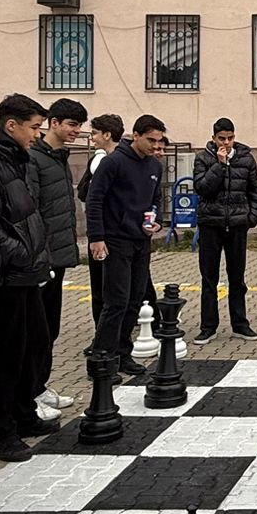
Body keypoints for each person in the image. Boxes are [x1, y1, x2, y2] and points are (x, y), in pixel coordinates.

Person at [0, 94, 58, 465]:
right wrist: (23, 252)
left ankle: (24, 414)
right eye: (34, 128)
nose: (37, 136)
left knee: (33, 345)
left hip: (28, 272)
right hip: (8, 276)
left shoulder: (17, 159)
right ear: (12, 126)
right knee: (4, 354)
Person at [86, 114, 167, 381]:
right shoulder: (114, 163)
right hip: (115, 239)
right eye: (151, 140)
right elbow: (94, 199)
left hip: (140, 240)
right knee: (116, 302)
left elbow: (155, 200)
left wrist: (155, 221)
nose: (156, 146)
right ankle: (101, 357)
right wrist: (96, 237)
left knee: (135, 300)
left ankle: (122, 353)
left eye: (159, 141)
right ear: (135, 135)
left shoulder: (155, 166)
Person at [28, 98, 87, 416]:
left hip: (59, 256)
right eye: (71, 124)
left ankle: (40, 385)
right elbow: (33, 210)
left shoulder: (58, 157)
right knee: (37, 330)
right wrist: (41, 254)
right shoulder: (35, 158)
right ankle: (30, 393)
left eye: (79, 125)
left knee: (50, 327)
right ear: (54, 123)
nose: (77, 131)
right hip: (42, 258)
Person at [191, 117, 257, 344]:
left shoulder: (246, 159)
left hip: (237, 225)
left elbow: (255, 190)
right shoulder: (203, 159)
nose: (226, 142)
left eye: (230, 138)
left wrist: (251, 218)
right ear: (213, 138)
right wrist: (219, 166)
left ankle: (240, 324)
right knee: (209, 279)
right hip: (211, 224)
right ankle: (208, 327)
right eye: (222, 138)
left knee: (237, 278)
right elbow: (202, 188)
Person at [77, 112, 124, 325]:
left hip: (115, 234)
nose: (91, 138)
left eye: (94, 133)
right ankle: (103, 332)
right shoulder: (97, 160)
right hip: (101, 233)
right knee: (100, 286)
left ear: (107, 134)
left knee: (114, 287)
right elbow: (87, 195)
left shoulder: (113, 161)